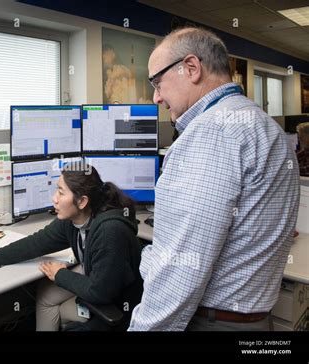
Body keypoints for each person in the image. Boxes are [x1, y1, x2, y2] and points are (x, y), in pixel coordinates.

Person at [128, 27, 300, 331]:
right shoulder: (259, 122)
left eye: (157, 82)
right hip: (255, 320)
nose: (156, 97)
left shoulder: (212, 132)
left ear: (191, 68)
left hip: (212, 322)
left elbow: (180, 269)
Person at [0, 161, 143, 331]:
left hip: (120, 308)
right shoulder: (73, 219)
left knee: (61, 309)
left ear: (82, 201)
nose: (54, 198)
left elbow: (100, 292)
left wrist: (60, 274)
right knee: (47, 297)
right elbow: (37, 243)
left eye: (61, 193)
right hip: (98, 285)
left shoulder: (109, 231)